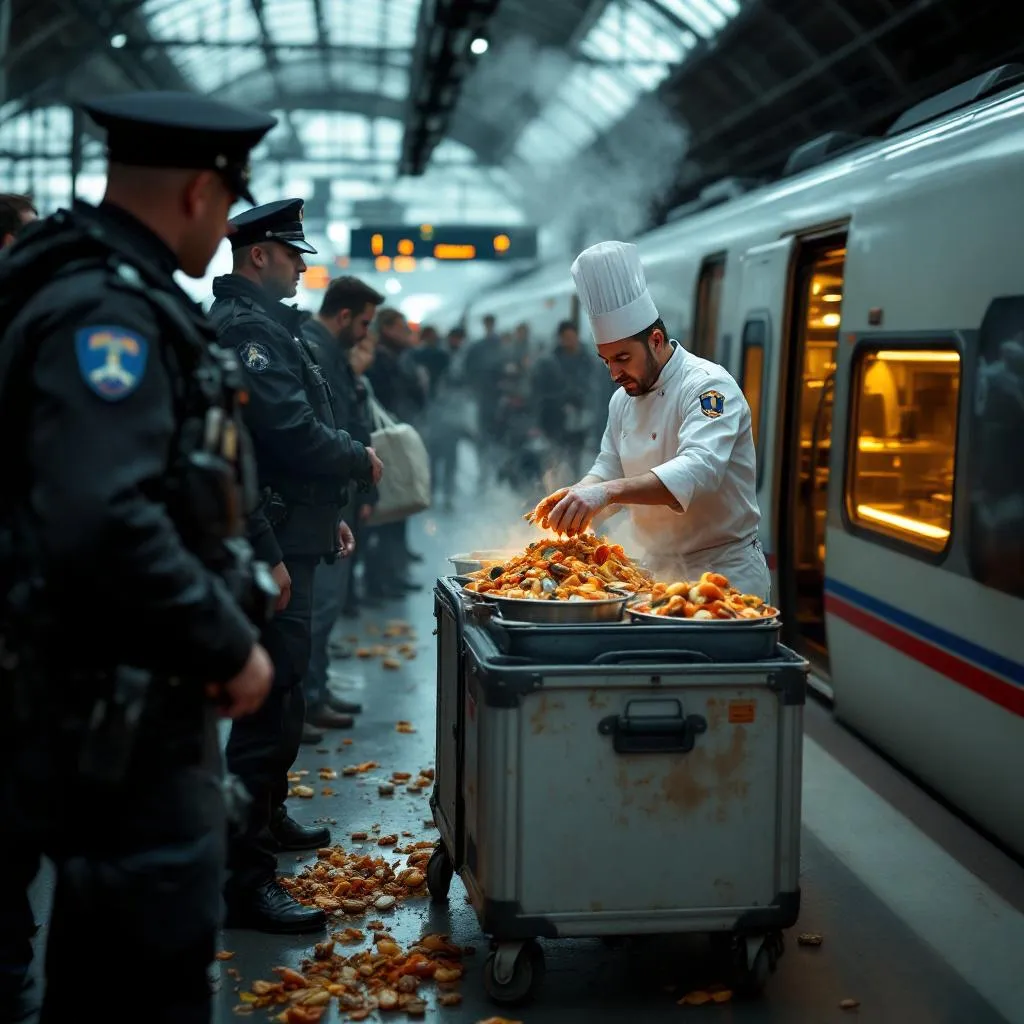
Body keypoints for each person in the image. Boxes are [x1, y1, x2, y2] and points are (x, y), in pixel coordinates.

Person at [0, 90, 277, 1024]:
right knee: (139, 971)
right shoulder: (104, 318)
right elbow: (104, 517)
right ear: (203, 191)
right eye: (233, 202)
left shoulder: (83, 283)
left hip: (74, 687)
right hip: (99, 699)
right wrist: (224, 643)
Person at [209, 199, 383, 933]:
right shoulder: (249, 330)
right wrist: (357, 459)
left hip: (292, 533)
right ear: (258, 257)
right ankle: (244, 882)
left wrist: (327, 515)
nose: (303, 265)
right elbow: (284, 435)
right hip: (272, 547)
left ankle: (268, 820)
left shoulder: (271, 325)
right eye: (292, 253)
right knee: (269, 712)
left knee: (281, 705)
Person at [532, 240, 770, 598]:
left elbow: (699, 470)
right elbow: (609, 467)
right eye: (606, 361)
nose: (614, 372)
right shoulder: (622, 401)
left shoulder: (708, 387)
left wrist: (605, 493)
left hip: (724, 573)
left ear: (656, 340)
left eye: (623, 358)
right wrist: (578, 496)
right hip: (656, 573)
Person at [299, 276, 384, 736]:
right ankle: (307, 700)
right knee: (320, 604)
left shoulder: (329, 353)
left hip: (336, 496)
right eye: (365, 322)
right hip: (323, 501)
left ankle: (316, 690)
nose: (366, 334)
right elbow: (325, 427)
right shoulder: (319, 351)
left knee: (325, 605)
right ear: (345, 315)